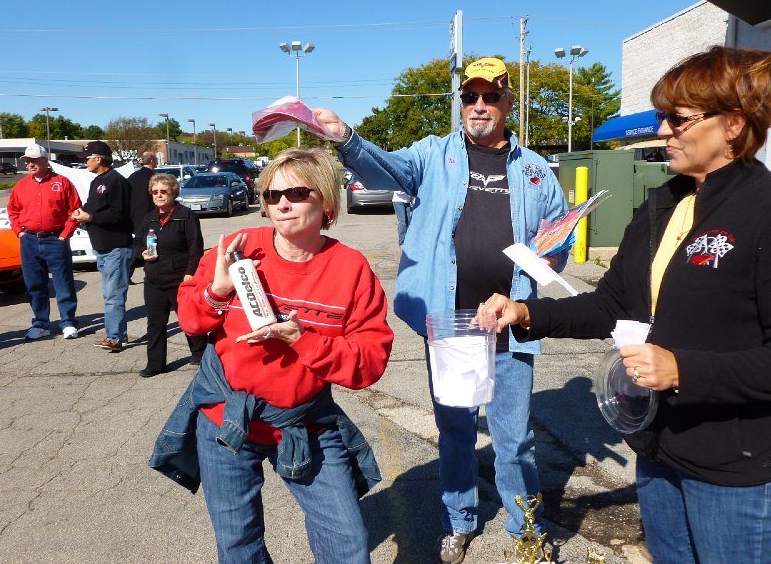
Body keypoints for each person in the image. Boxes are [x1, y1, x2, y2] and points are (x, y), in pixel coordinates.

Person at [480, 46, 771, 564]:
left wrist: (684, 369)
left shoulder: (762, 211)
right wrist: (529, 315)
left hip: (735, 465)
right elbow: (612, 303)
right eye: (662, 117)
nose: (663, 131)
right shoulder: (663, 202)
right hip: (656, 448)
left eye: (678, 119)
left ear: (734, 125)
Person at [311, 56, 569, 563]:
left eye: (490, 96)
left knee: (514, 438)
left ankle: (526, 530)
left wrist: (552, 254)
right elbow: (385, 169)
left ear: (507, 102)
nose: (478, 106)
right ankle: (460, 520)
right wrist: (346, 138)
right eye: (470, 97)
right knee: (455, 431)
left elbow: (560, 228)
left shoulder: (535, 169)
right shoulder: (434, 154)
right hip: (452, 323)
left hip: (512, 322)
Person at [150, 147, 393, 563]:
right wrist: (218, 291)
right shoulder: (240, 249)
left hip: (304, 424)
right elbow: (190, 319)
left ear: (327, 201)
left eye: (298, 193)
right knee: (239, 548)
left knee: (348, 545)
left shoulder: (350, 269)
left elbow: (368, 363)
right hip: (224, 423)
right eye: (271, 195)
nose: (282, 203)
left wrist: (304, 340)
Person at [134, 173, 207, 377]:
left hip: (179, 278)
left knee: (188, 319)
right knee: (155, 323)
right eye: (155, 192)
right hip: (154, 279)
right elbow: (137, 243)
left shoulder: (185, 215)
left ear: (173, 192)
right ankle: (155, 364)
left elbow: (196, 247)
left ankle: (200, 352)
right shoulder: (148, 218)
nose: (159, 195)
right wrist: (141, 253)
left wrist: (191, 273)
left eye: (163, 191)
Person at [7, 144, 82, 340]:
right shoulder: (21, 185)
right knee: (34, 284)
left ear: (45, 160)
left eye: (33, 160)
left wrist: (64, 235)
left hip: (55, 239)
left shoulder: (62, 182)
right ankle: (40, 323)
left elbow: (74, 211)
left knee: (63, 282)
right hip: (29, 240)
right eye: (27, 161)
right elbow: (13, 210)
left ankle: (68, 322)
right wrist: (19, 232)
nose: (30, 164)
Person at [71, 140, 133, 352]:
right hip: (103, 247)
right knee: (110, 294)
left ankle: (115, 337)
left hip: (116, 246)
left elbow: (119, 213)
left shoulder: (116, 181)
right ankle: (117, 335)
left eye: (87, 158)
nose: (85, 162)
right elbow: (92, 208)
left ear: (99, 159)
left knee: (113, 295)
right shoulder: (96, 181)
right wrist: (83, 214)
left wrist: (91, 216)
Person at [127, 151, 158, 283]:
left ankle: (127, 273)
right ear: (152, 161)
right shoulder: (155, 178)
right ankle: (151, 274)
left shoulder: (132, 177)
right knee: (152, 245)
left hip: (134, 217)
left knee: (137, 245)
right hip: (151, 216)